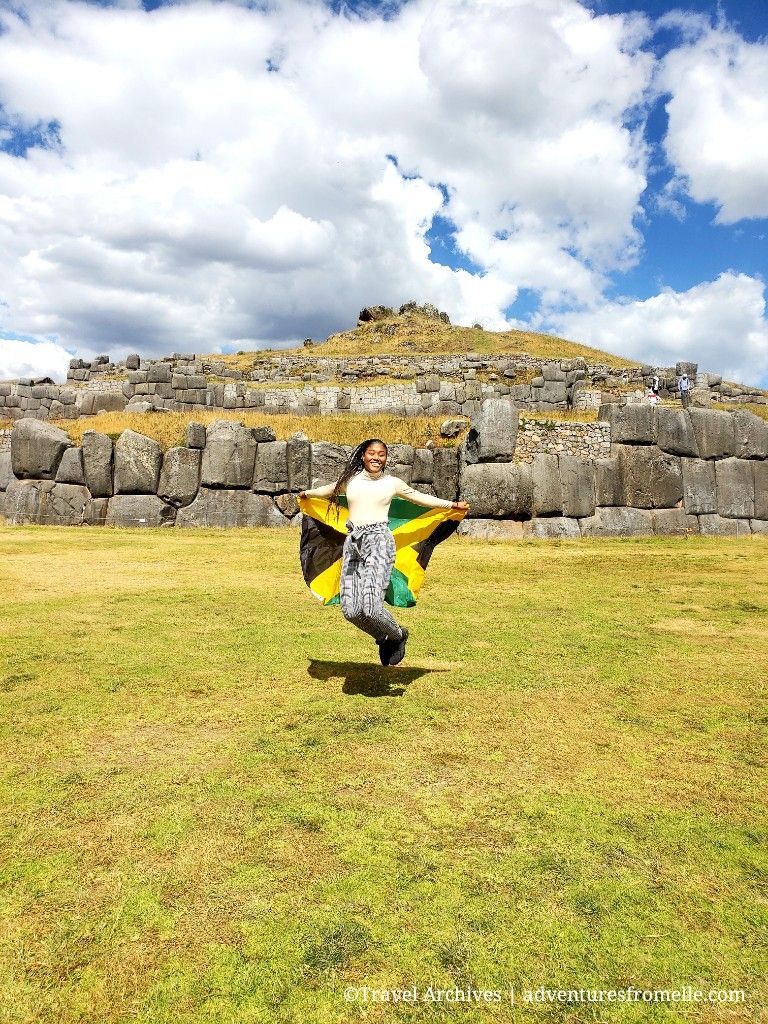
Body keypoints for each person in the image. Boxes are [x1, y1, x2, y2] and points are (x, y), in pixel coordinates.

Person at [300, 438, 470, 667]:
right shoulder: (349, 481)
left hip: (379, 542)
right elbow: (327, 490)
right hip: (353, 544)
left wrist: (451, 505)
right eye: (372, 453)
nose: (376, 458)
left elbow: (421, 498)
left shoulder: (392, 483)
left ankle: (399, 635)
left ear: (386, 458)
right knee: (350, 610)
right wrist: (307, 494)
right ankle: (383, 638)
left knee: (370, 608)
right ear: (363, 455)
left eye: (381, 454)